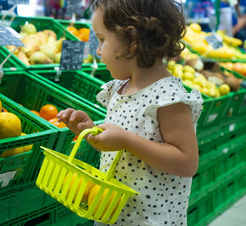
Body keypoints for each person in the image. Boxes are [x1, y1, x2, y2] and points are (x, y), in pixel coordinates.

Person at [57, 0, 203, 225]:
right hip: (113, 213)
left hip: (150, 219)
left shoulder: (168, 97)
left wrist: (126, 140)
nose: (98, 50)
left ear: (132, 41)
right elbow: (118, 146)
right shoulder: (120, 88)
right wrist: (90, 131)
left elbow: (187, 162)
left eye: (102, 40)